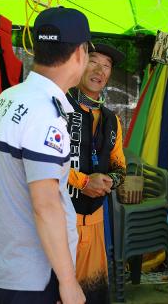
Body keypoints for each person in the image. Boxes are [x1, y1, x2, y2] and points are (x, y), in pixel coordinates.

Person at [0, 7, 92, 304]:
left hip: (9, 265)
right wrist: (68, 282)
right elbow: (45, 205)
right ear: (80, 53)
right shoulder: (46, 114)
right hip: (36, 275)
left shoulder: (9, 97)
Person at [66, 43, 126, 303]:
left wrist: (109, 181)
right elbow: (42, 161)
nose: (100, 69)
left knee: (92, 293)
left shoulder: (112, 120)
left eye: (107, 65)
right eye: (94, 61)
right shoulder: (58, 106)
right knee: (59, 290)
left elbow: (120, 167)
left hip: (95, 220)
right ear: (79, 63)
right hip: (60, 218)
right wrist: (82, 182)